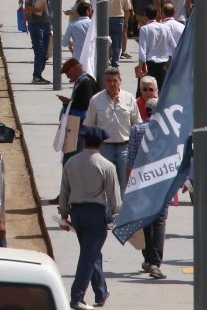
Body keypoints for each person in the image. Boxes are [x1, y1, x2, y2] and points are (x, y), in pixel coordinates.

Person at [59, 127, 121, 310]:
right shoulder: (106, 165)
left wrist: (63, 214)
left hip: (77, 213)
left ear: (84, 141)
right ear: (101, 143)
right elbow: (114, 197)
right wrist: (118, 217)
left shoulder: (71, 162)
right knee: (88, 255)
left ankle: (101, 292)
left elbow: (64, 190)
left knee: (92, 253)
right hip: (96, 214)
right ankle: (76, 297)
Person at [125, 98, 167, 279]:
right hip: (162, 181)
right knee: (159, 222)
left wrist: (129, 185)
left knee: (145, 221)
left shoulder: (137, 130)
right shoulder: (168, 132)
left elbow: (131, 159)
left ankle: (149, 260)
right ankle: (155, 262)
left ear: (146, 111)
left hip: (141, 181)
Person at [86, 67, 140, 183]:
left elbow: (137, 123)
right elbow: (89, 126)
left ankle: (123, 202)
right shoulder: (95, 100)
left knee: (126, 182)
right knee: (104, 182)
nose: (112, 83)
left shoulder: (129, 98)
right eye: (109, 80)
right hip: (104, 148)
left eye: (115, 80)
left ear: (120, 81)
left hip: (125, 148)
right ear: (104, 82)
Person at [23, 0, 53, 84]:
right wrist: (38, 9)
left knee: (44, 51)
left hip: (44, 23)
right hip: (37, 23)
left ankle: (39, 74)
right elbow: (28, 7)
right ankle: (37, 75)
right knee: (40, 50)